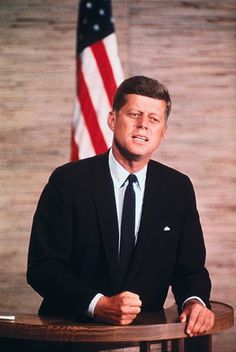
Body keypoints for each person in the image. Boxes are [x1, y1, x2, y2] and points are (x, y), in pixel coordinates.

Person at [27, 76, 214, 340]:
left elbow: (190, 269)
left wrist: (194, 302)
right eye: (134, 114)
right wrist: (98, 305)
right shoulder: (68, 181)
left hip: (146, 339)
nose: (143, 126)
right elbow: (43, 267)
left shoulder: (178, 188)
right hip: (71, 336)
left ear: (164, 131)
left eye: (153, 119)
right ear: (112, 119)